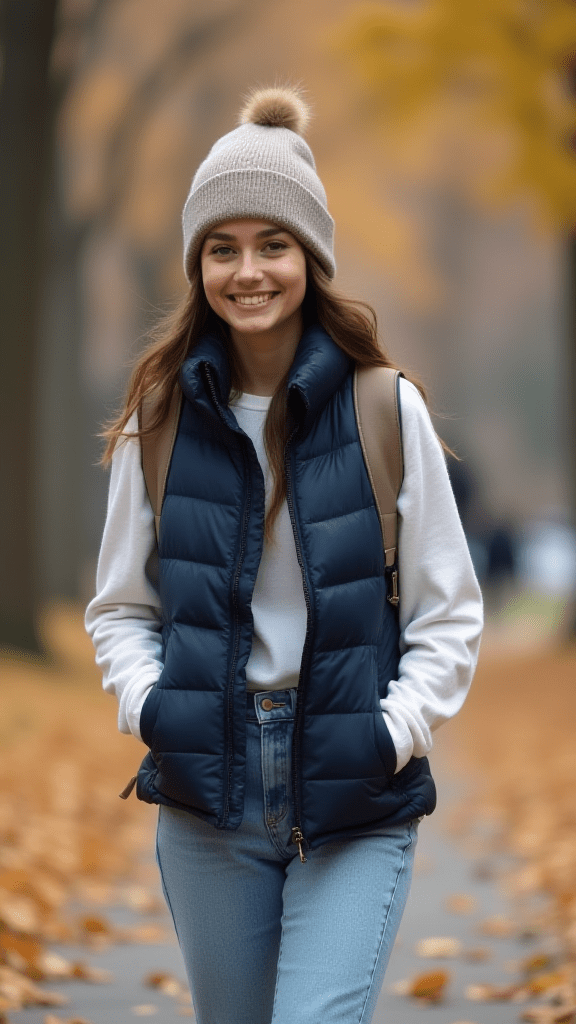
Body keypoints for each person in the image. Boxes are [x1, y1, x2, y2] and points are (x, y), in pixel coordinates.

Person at [85, 86, 483, 1024]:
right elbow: (119, 608)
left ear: (311, 257)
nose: (247, 271)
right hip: (206, 801)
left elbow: (449, 612)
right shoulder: (160, 420)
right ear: (198, 266)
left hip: (353, 793)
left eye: (273, 245)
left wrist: (391, 732)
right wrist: (152, 708)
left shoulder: (387, 410)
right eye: (222, 249)